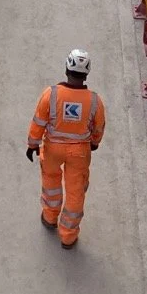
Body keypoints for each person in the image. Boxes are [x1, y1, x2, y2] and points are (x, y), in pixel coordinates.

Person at [27, 49, 107, 249]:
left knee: (51, 183)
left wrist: (32, 145)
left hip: (53, 149)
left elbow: (38, 122)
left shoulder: (51, 94)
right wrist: (94, 142)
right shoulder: (95, 101)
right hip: (79, 153)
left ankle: (49, 217)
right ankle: (68, 237)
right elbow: (98, 127)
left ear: (66, 69)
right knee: (75, 192)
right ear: (87, 73)